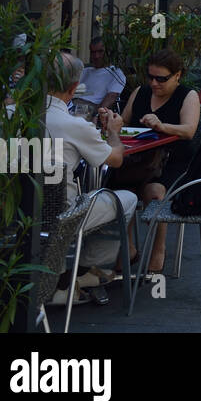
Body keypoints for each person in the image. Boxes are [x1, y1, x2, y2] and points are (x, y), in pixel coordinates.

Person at [44, 52, 137, 299]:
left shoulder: (8, 115)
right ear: (75, 87)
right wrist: (114, 132)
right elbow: (116, 159)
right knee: (127, 198)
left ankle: (64, 274)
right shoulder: (73, 125)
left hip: (14, 211)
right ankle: (81, 271)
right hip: (62, 213)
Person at [116, 50, 201, 274]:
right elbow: (123, 124)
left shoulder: (187, 95)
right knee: (117, 191)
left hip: (173, 161)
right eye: (150, 77)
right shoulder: (140, 93)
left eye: (161, 79)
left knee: (154, 192)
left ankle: (158, 247)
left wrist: (162, 126)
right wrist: (112, 123)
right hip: (137, 159)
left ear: (177, 76)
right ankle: (129, 248)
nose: (154, 83)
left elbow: (189, 130)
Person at [76, 38, 126, 111]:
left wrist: (98, 114)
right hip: (72, 104)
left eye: (100, 51)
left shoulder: (116, 73)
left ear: (107, 52)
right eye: (93, 52)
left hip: (91, 107)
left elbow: (112, 97)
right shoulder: (84, 71)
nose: (96, 56)